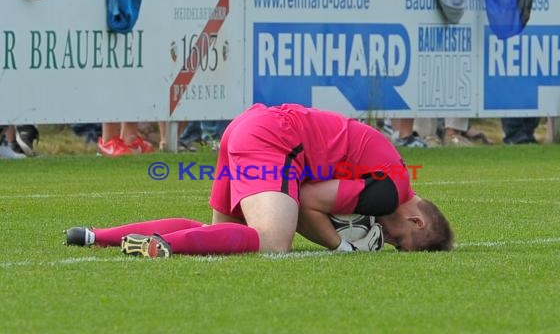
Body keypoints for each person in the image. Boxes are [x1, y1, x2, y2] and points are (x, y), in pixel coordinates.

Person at [65, 103, 454, 257]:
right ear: (416, 220)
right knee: (271, 242)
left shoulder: (392, 174)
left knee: (218, 234)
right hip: (275, 140)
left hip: (251, 127)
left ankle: (96, 235)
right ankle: (160, 245)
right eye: (400, 240)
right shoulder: (390, 193)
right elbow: (307, 197)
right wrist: (340, 245)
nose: (388, 240)